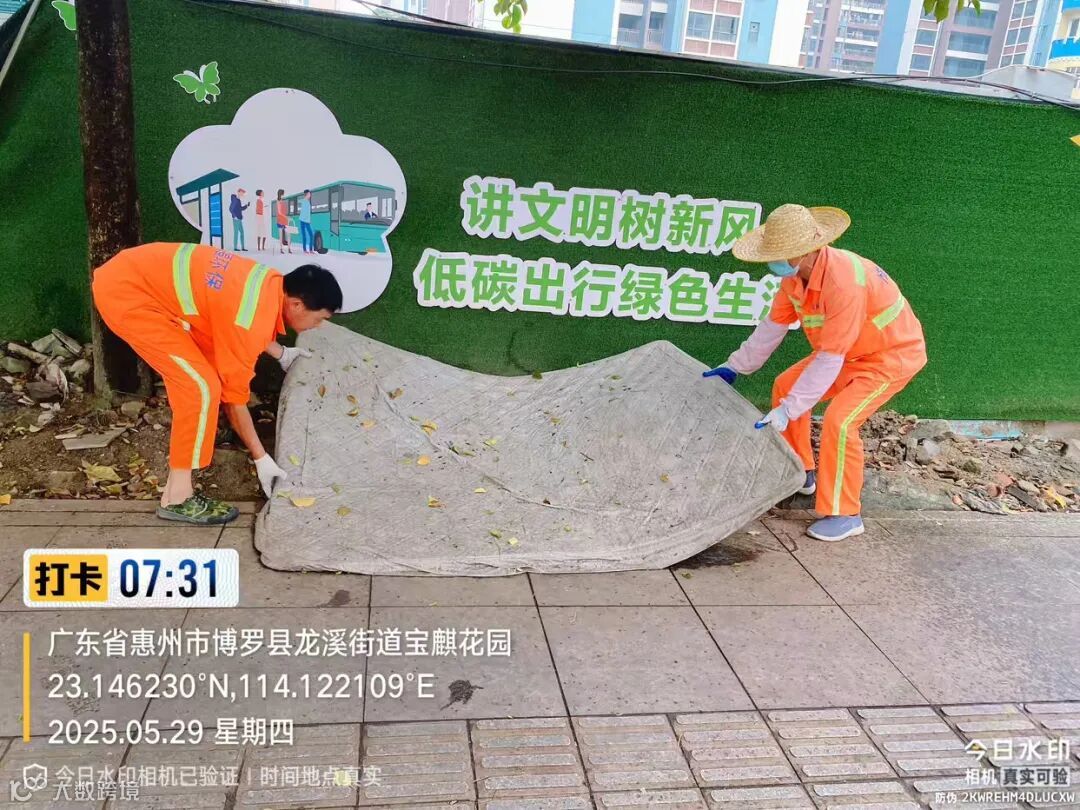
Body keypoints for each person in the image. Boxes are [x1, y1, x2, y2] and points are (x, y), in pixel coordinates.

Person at [705, 204, 927, 542]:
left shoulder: (843, 281)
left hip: (890, 356)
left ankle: (846, 514)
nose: (774, 261)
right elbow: (773, 326)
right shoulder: (795, 278)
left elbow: (829, 357)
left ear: (807, 250)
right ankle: (801, 474)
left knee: (841, 420)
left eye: (781, 253)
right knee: (785, 385)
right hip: (848, 352)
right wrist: (735, 366)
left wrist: (789, 411)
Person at [92, 244, 343, 524]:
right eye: (319, 318)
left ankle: (174, 492)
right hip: (128, 295)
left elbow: (244, 321)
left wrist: (281, 353)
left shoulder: (269, 283)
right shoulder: (247, 319)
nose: (318, 326)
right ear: (296, 304)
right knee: (199, 387)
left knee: (202, 382)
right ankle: (178, 499)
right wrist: (261, 457)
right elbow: (235, 398)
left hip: (137, 281)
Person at [276, 189, 291, 254]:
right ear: (281, 194)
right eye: (283, 193)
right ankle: (281, 249)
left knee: (288, 235)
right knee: (281, 235)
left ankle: (289, 248)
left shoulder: (283, 201)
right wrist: (286, 217)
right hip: (280, 220)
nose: (284, 195)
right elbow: (279, 212)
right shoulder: (278, 201)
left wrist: (286, 217)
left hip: (284, 220)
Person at [299, 189, 314, 254]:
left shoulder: (304, 201)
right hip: (305, 221)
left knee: (305, 235)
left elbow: (305, 212)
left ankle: (306, 250)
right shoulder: (306, 202)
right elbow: (305, 213)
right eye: (309, 194)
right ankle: (309, 250)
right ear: (307, 194)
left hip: (302, 220)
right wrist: (308, 220)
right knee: (311, 235)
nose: (310, 195)